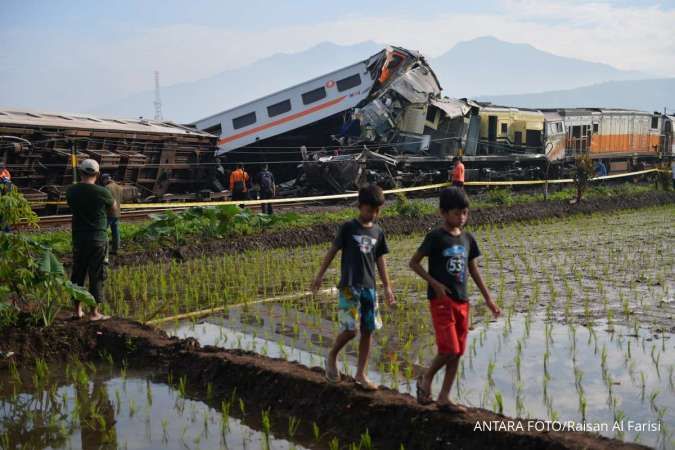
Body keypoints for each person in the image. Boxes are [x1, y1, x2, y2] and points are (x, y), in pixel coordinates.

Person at [409, 187, 500, 411]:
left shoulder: (468, 238)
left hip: (462, 300)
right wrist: (435, 283)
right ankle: (426, 379)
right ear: (443, 213)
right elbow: (414, 263)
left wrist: (488, 298)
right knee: (449, 348)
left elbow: (473, 269)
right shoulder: (436, 237)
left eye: (464, 213)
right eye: (456, 213)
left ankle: (444, 397)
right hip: (441, 300)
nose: (461, 217)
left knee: (458, 351)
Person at [310, 184, 396, 390]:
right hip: (349, 286)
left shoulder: (378, 231)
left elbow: (380, 260)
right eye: (369, 210)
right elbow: (332, 251)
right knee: (350, 330)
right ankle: (331, 356)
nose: (373, 214)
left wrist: (387, 287)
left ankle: (361, 374)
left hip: (369, 287)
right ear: (359, 206)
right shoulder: (348, 228)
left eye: (377, 211)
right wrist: (319, 275)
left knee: (368, 330)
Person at [66, 159, 113, 321]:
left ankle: (77, 310)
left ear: (81, 173)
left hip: (79, 238)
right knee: (97, 274)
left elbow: (72, 206)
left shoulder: (71, 191)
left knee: (78, 273)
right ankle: (94, 313)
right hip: (98, 238)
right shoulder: (103, 192)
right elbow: (112, 208)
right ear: (97, 174)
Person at [101, 174, 123, 255]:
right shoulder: (119, 187)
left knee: (103, 231)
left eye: (103, 180)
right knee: (115, 232)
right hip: (117, 213)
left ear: (105, 179)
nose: (103, 182)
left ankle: (103, 250)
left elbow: (105, 201)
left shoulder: (107, 188)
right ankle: (116, 249)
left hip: (109, 214)